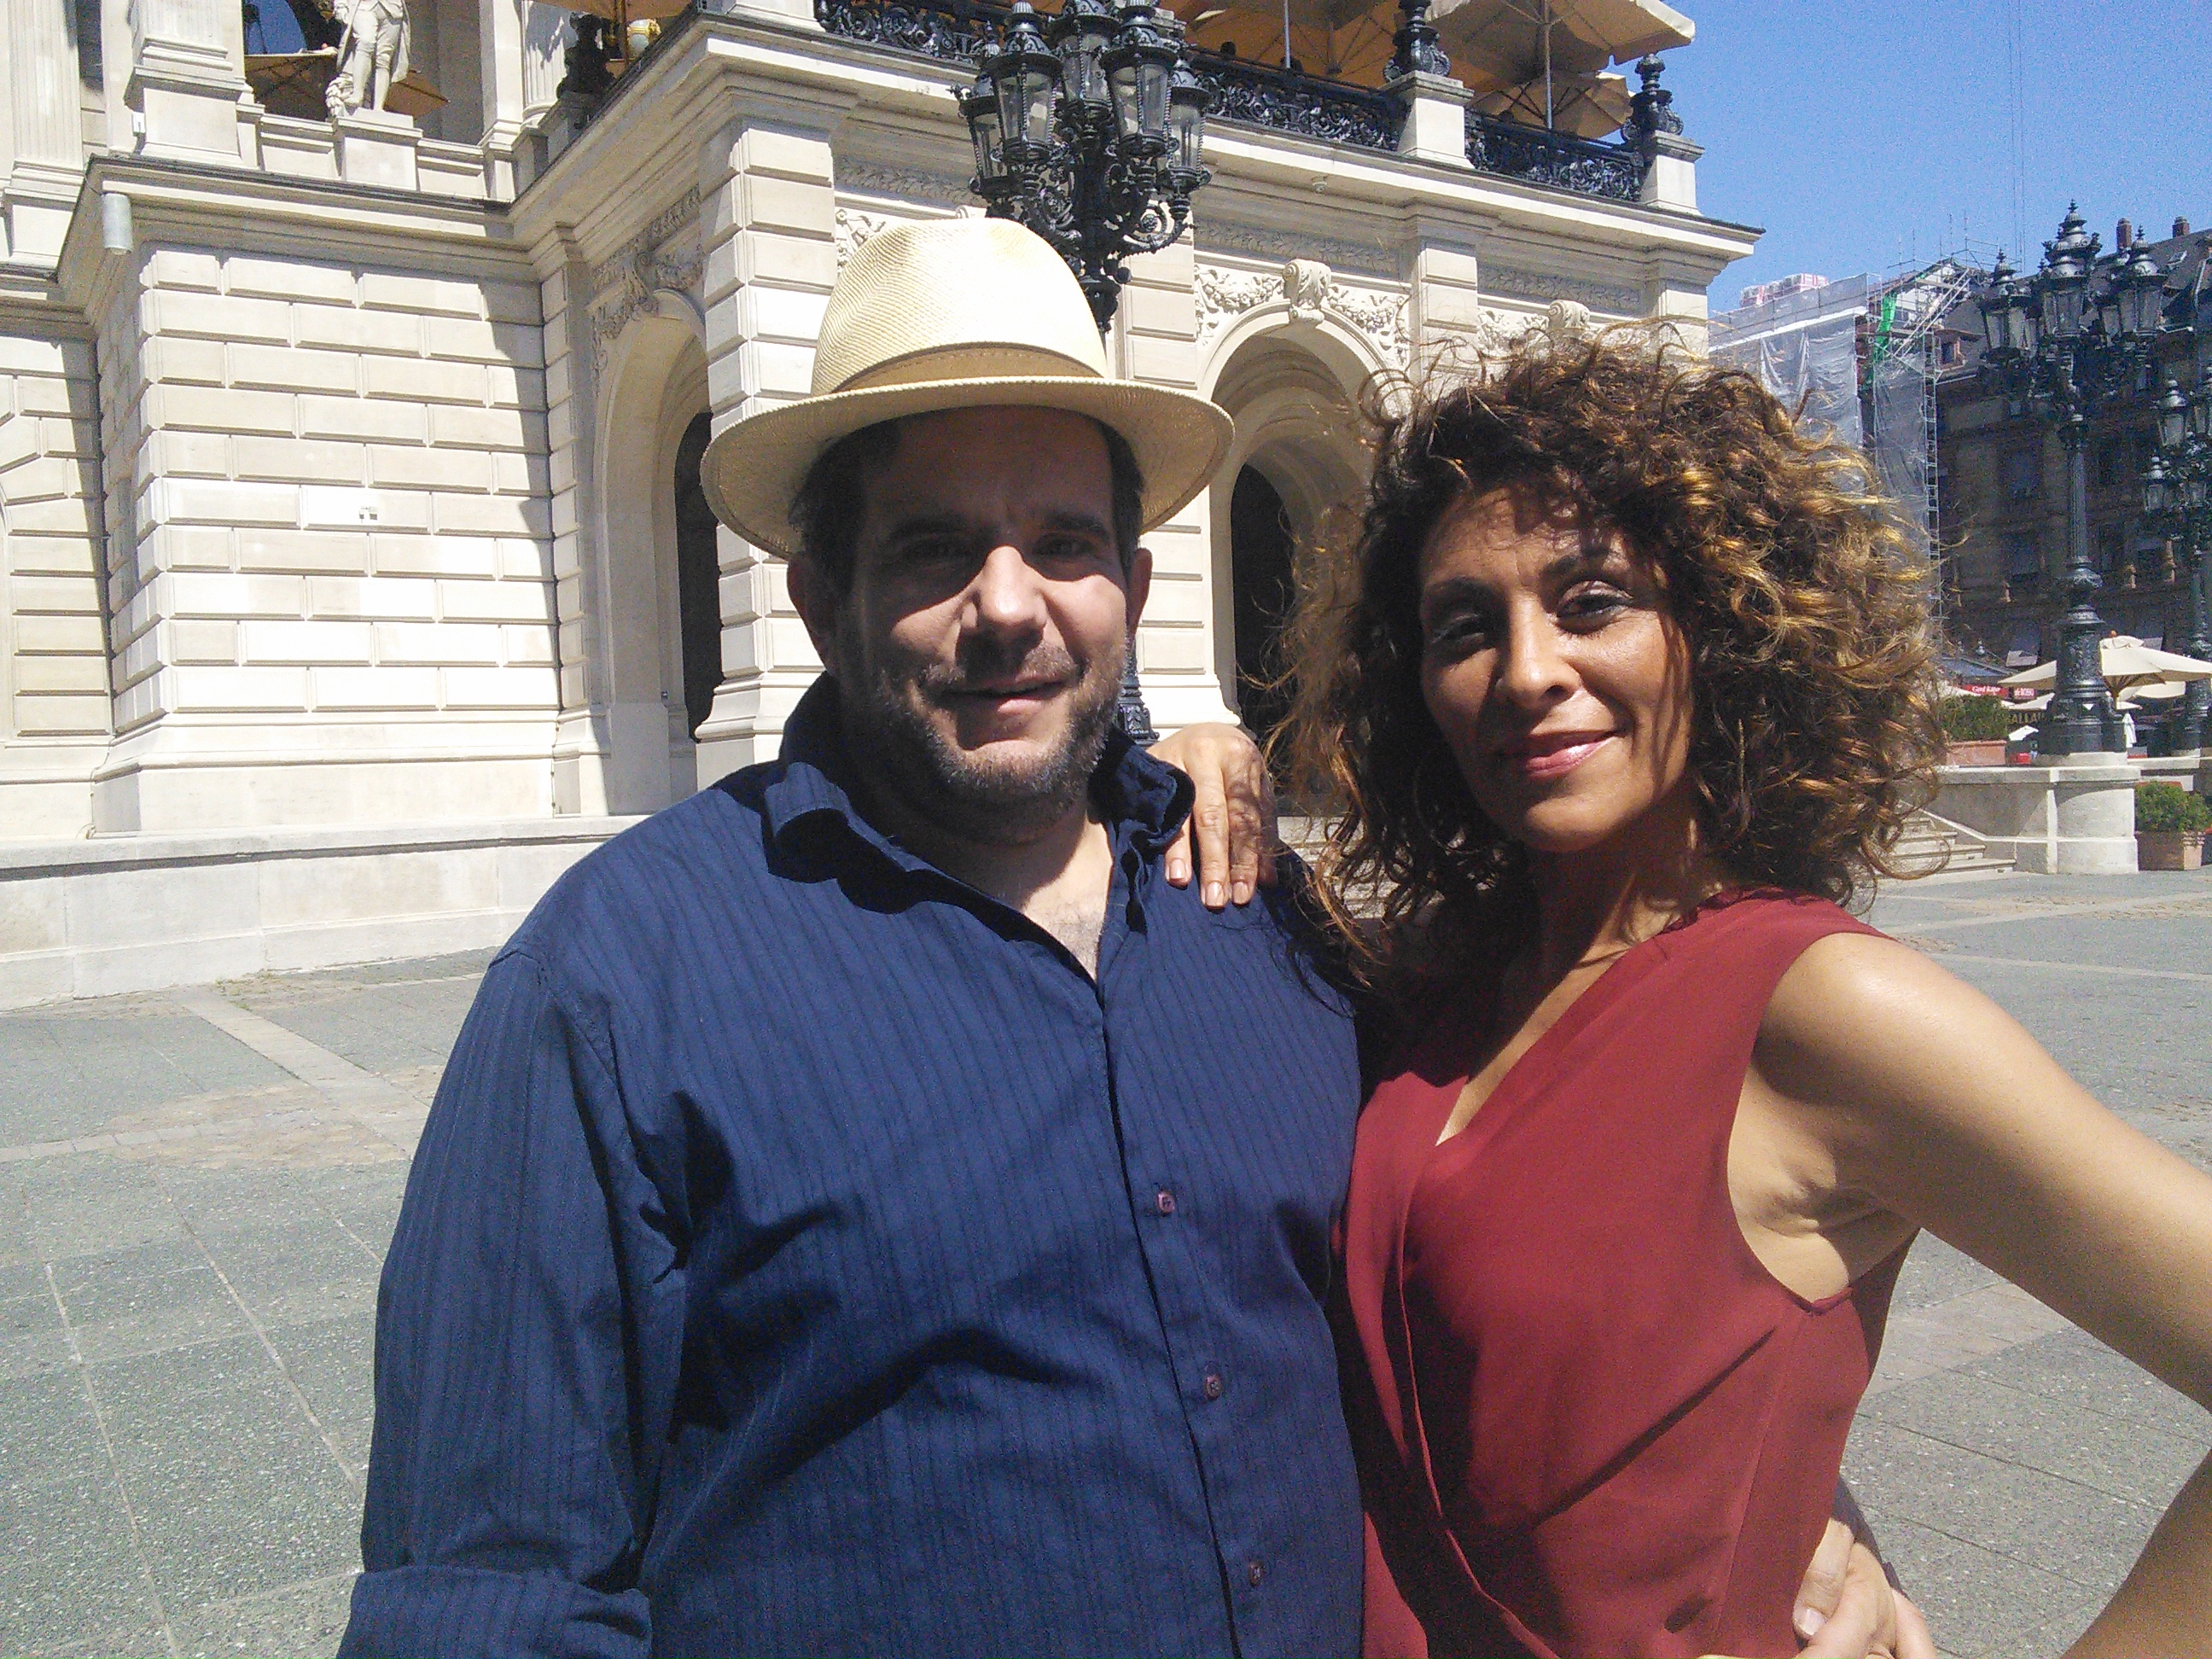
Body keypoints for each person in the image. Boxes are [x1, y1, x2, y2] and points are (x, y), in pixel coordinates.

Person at [340, 219, 1909, 1657]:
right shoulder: (620, 981)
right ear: (820, 601)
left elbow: (1504, 1300)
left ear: (1135, 587)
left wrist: (1796, 1504)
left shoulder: (1263, 917)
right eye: (933, 548)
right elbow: (485, 1593)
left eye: (1063, 544)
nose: (1008, 605)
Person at [1278, 327, 2212, 1658]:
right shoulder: (1432, 977)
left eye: (1592, 601)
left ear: (1717, 629)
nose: (1528, 670)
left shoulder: (1823, 1008)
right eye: (1465, 627)